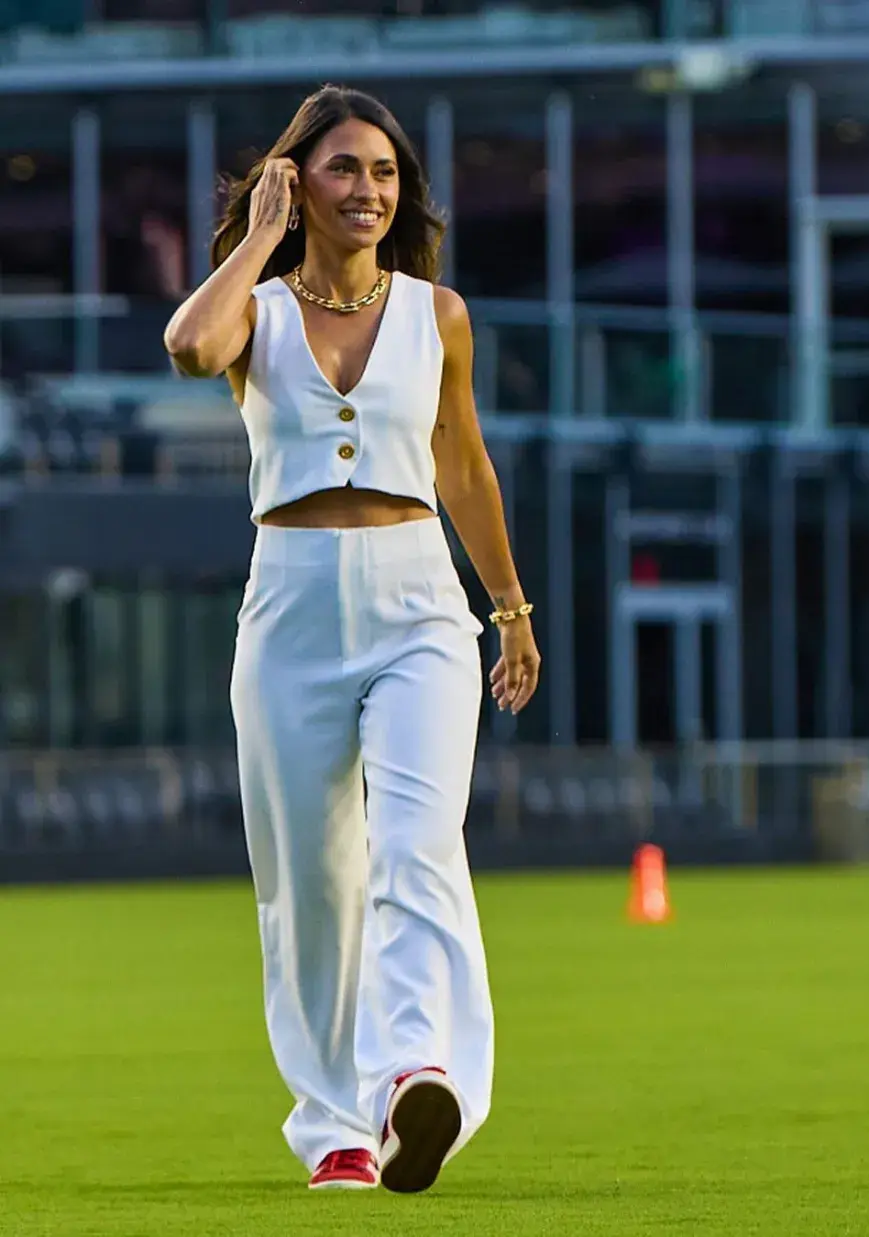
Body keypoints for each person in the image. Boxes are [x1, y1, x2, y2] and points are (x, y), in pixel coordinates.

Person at [163, 84, 540, 1194]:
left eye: (383, 172)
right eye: (343, 170)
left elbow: (464, 467)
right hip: (289, 604)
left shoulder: (439, 314)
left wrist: (508, 610)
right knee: (310, 880)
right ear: (297, 181)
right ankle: (335, 1124)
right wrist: (261, 238)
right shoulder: (255, 314)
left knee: (419, 844)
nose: (368, 190)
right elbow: (190, 347)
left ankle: (415, 1074)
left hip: (419, 601)